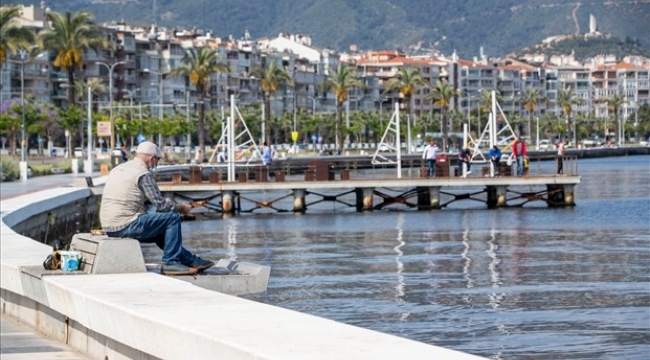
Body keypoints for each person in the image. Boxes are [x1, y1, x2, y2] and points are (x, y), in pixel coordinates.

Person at [99, 141, 214, 276]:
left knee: (161, 228)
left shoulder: (118, 169)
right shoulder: (143, 174)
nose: (157, 163)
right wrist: (181, 208)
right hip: (125, 225)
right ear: (152, 158)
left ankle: (191, 261)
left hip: (109, 226)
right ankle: (171, 264)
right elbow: (161, 205)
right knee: (172, 217)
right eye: (158, 160)